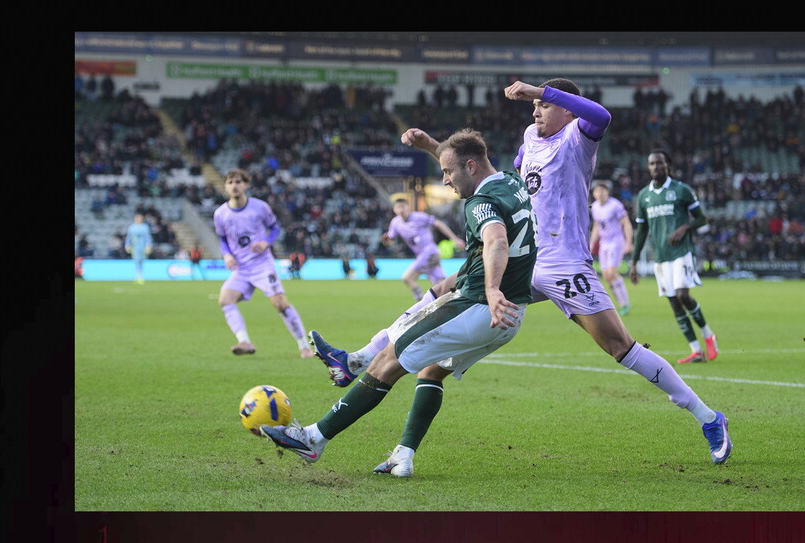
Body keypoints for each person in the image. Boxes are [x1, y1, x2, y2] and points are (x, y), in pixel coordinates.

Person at [308, 79, 731, 476]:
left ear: (566, 110)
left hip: (566, 263)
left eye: (544, 105)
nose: (536, 110)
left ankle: (709, 418)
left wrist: (540, 88)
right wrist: (432, 147)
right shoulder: (529, 143)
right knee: (441, 310)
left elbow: (601, 116)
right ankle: (376, 394)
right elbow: (487, 177)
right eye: (534, 105)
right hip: (526, 260)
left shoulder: (579, 138)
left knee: (620, 346)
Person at [261, 129, 538, 474]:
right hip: (511, 316)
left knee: (387, 361)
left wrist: (493, 289)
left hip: (481, 307)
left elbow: (496, 241)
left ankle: (314, 438)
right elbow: (463, 164)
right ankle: (402, 455)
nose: (445, 180)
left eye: (448, 173)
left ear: (470, 166)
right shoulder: (510, 181)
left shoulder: (480, 203)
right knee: (431, 370)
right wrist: (428, 146)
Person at [629, 149, 719, 364]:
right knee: (674, 302)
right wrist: (633, 262)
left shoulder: (681, 190)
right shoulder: (644, 196)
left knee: (683, 295)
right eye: (652, 164)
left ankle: (708, 335)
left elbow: (702, 219)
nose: (655, 167)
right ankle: (695, 350)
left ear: (667, 165)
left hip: (682, 252)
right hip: (661, 256)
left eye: (659, 163)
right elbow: (641, 231)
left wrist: (685, 228)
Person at [213, 168, 313, 358]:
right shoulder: (220, 214)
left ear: (246, 185)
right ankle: (244, 341)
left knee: (280, 303)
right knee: (225, 300)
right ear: (225, 186)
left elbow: (275, 228)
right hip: (241, 268)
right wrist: (226, 255)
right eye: (230, 182)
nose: (234, 185)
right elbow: (223, 239)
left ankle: (304, 347)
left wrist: (266, 242)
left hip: (262, 265)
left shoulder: (260, 207)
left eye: (238, 181)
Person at [381, 197, 465, 301]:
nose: (401, 210)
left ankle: (421, 303)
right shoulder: (395, 223)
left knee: (407, 277)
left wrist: (455, 239)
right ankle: (457, 297)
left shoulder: (419, 216)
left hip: (430, 252)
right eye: (398, 207)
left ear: (408, 207)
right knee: (442, 284)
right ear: (394, 209)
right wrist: (386, 240)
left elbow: (438, 224)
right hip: (422, 256)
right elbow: (390, 240)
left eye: (403, 206)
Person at [589, 179, 633, 315]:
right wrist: (591, 243)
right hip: (604, 244)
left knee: (612, 273)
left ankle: (625, 304)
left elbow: (626, 223)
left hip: (616, 242)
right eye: (597, 191)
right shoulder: (595, 207)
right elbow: (596, 226)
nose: (600, 193)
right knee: (607, 276)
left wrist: (628, 242)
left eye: (603, 190)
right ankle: (621, 304)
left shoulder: (615, 205)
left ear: (607, 192)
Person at [124, 213, 153, 284]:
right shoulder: (131, 227)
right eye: (137, 218)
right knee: (136, 260)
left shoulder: (145, 227)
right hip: (135, 247)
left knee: (141, 261)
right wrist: (127, 245)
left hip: (142, 247)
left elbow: (148, 237)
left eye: (140, 218)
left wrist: (149, 245)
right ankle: (138, 276)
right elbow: (128, 237)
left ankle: (141, 276)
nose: (138, 219)